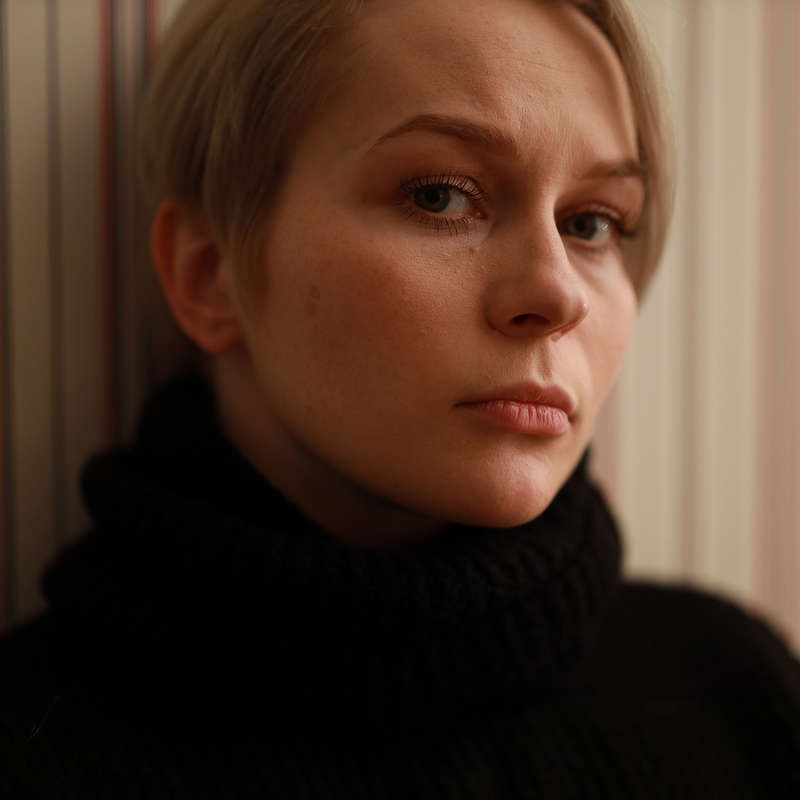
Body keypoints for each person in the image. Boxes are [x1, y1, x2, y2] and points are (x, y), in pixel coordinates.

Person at [2, 0, 799, 796]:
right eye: (441, 196)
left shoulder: (740, 692)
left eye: (592, 222)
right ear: (210, 275)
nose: (558, 295)